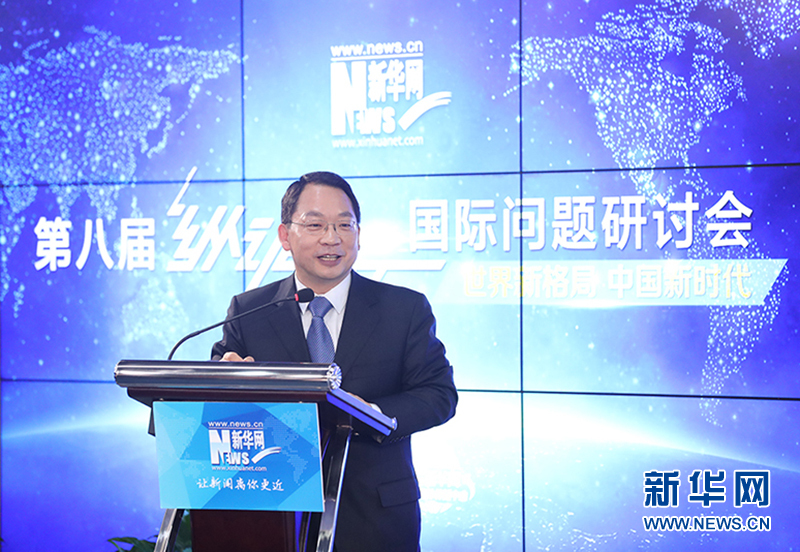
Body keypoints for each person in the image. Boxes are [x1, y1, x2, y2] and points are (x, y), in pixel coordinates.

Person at [211, 171, 458, 552]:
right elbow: (214, 396)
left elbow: (438, 394)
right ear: (285, 236)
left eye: (344, 224)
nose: (332, 238)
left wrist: (373, 413)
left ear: (359, 233)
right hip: (275, 515)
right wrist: (230, 382)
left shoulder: (403, 309)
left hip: (377, 518)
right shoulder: (250, 311)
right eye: (315, 225)